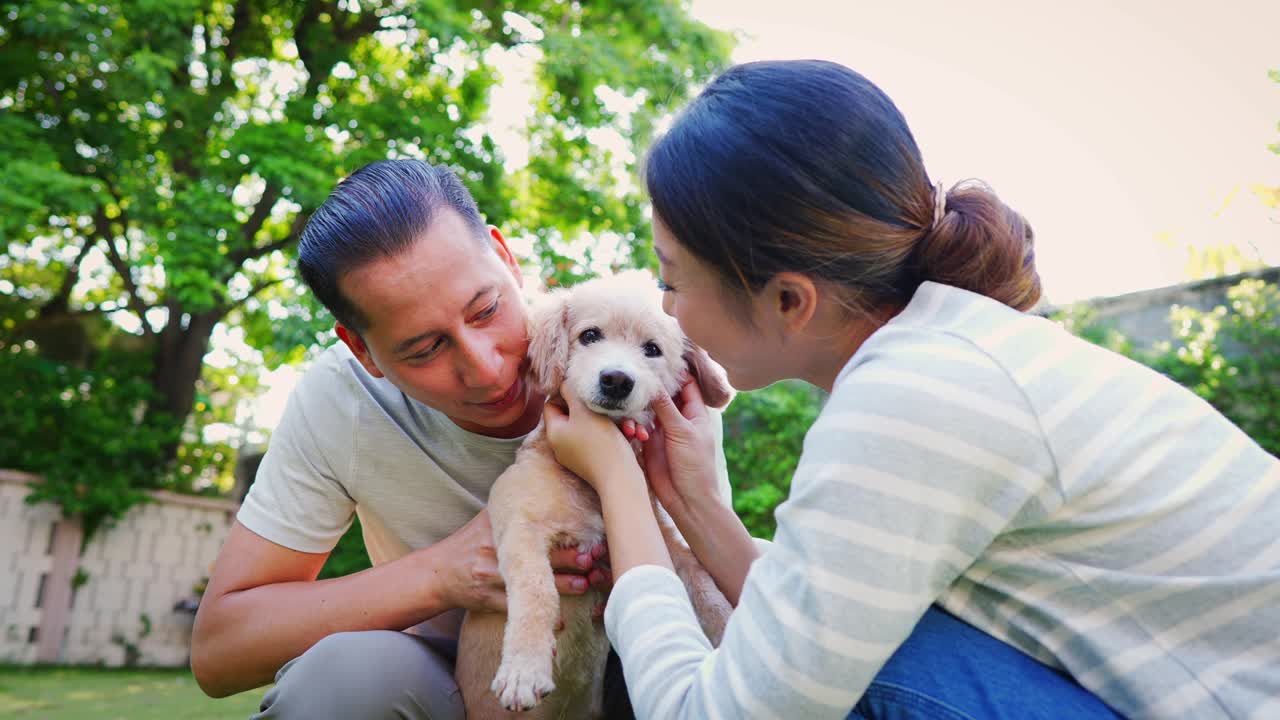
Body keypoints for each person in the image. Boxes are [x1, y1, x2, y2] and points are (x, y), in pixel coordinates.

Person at [543, 59, 1280, 719]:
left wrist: (618, 484)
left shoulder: (911, 403)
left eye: (672, 280)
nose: (668, 309)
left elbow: (710, 711)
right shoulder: (946, 350)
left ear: (789, 301)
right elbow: (813, 633)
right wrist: (692, 499)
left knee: (872, 677)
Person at [189, 160, 736, 719]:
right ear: (361, 349)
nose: (485, 370)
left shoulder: (654, 376)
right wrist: (442, 575)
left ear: (505, 258)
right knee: (342, 680)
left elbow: (717, 593)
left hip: (641, 668)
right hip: (455, 676)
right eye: (424, 349)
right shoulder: (340, 401)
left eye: (487, 310)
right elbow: (220, 650)